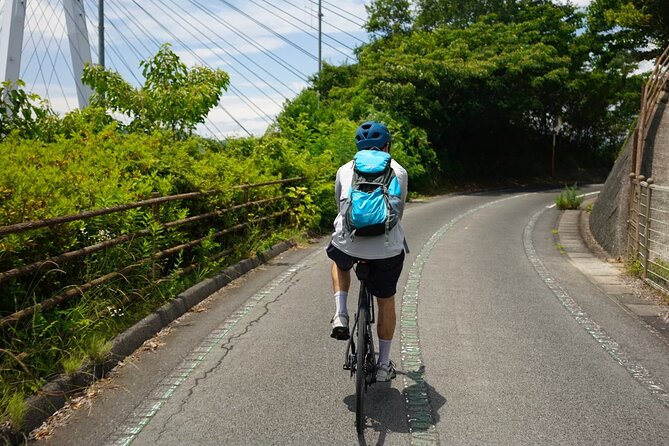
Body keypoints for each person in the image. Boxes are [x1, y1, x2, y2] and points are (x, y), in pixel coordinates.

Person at [326, 120, 408, 382]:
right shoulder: (398, 171)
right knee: (386, 299)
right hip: (386, 248)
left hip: (349, 243)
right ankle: (383, 366)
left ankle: (340, 314)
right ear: (387, 146)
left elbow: (340, 206)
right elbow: (398, 211)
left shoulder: (345, 170)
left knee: (338, 260)